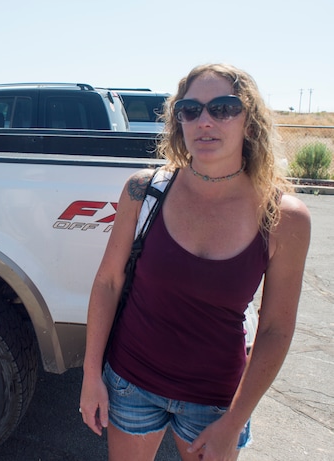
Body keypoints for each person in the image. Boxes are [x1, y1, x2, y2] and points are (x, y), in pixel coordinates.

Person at [80, 63, 311, 461]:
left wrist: (235, 420)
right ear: (178, 122)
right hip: (130, 383)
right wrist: (90, 377)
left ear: (250, 124)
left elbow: (275, 329)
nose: (204, 120)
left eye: (223, 108)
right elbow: (108, 283)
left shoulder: (283, 216)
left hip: (216, 401)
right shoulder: (144, 190)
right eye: (190, 110)